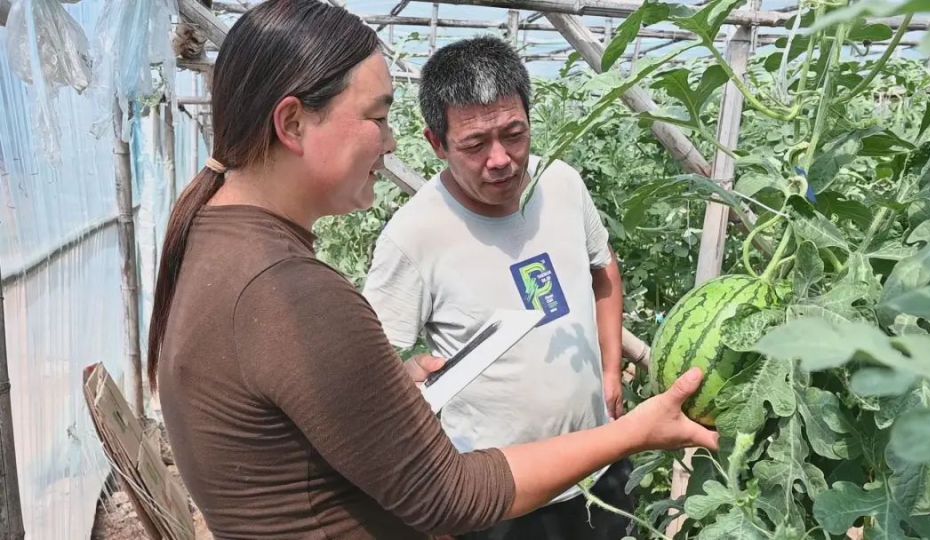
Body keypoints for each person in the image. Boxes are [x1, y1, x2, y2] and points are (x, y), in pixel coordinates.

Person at [148, 1, 718, 539]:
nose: (389, 142)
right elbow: (448, 496)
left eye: (514, 133)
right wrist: (631, 434)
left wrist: (381, 388)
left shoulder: (220, 245)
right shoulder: (287, 289)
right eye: (376, 117)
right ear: (293, 123)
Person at [362, 37, 632, 539]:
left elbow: (604, 272)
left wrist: (611, 370)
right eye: (474, 145)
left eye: (515, 134)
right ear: (436, 143)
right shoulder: (413, 237)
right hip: (499, 498)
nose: (502, 159)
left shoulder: (562, 184)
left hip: (600, 463)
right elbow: (371, 376)